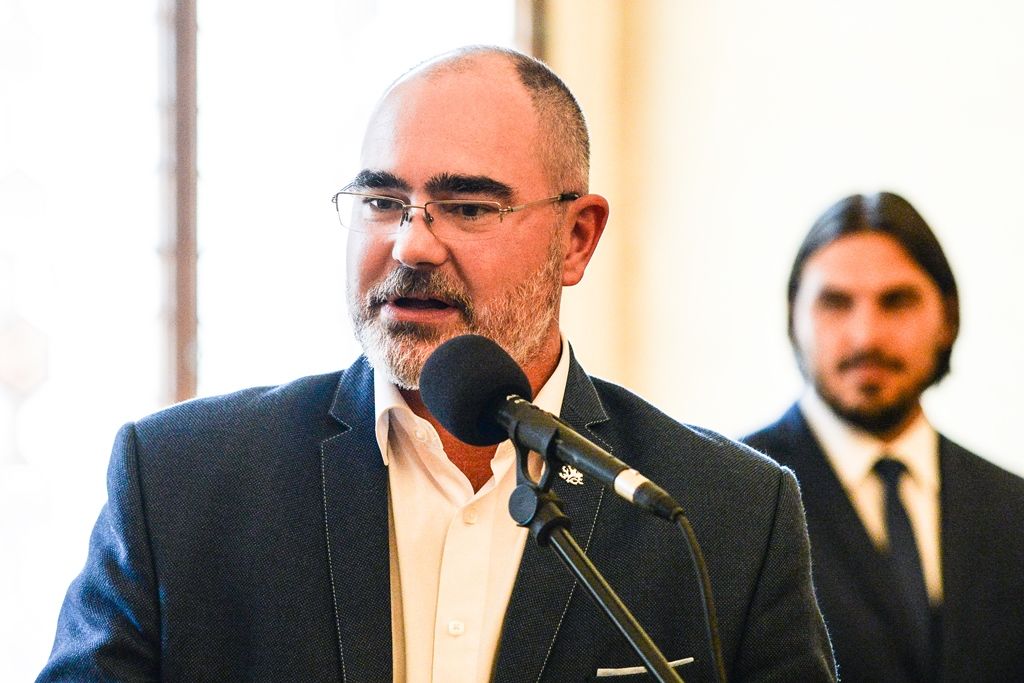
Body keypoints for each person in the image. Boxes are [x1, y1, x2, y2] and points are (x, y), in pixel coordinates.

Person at [39, 46, 835, 682]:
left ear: (577, 239)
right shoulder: (179, 483)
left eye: (468, 207)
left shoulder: (723, 514)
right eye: (382, 202)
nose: (412, 243)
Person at [743, 191, 1024, 682]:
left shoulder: (1012, 508)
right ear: (793, 318)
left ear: (947, 317)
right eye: (835, 303)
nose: (866, 336)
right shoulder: (730, 496)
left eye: (897, 302)